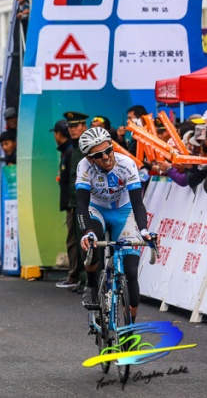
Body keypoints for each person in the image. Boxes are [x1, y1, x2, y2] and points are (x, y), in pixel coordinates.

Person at [77, 127, 153, 323]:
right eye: (98, 154)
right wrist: (87, 232)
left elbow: (137, 203)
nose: (106, 156)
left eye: (108, 150)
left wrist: (143, 230)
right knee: (94, 241)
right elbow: (81, 204)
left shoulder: (127, 164)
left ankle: (130, 327)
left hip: (123, 212)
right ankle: (92, 284)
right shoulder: (84, 167)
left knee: (130, 271)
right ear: (90, 158)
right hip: (97, 211)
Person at [51, 119, 80, 290]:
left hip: (74, 203)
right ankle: (74, 273)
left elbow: (71, 181)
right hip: (71, 203)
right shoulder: (68, 150)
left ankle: (75, 275)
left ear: (58, 134)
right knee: (73, 239)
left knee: (74, 240)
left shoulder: (70, 151)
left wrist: (71, 202)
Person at [64, 111, 89, 290]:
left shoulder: (86, 147)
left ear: (84, 127)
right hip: (75, 202)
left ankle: (89, 279)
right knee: (78, 241)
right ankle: (82, 278)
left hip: (86, 202)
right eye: (70, 127)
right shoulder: (73, 148)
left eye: (75, 126)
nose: (72, 130)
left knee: (86, 242)